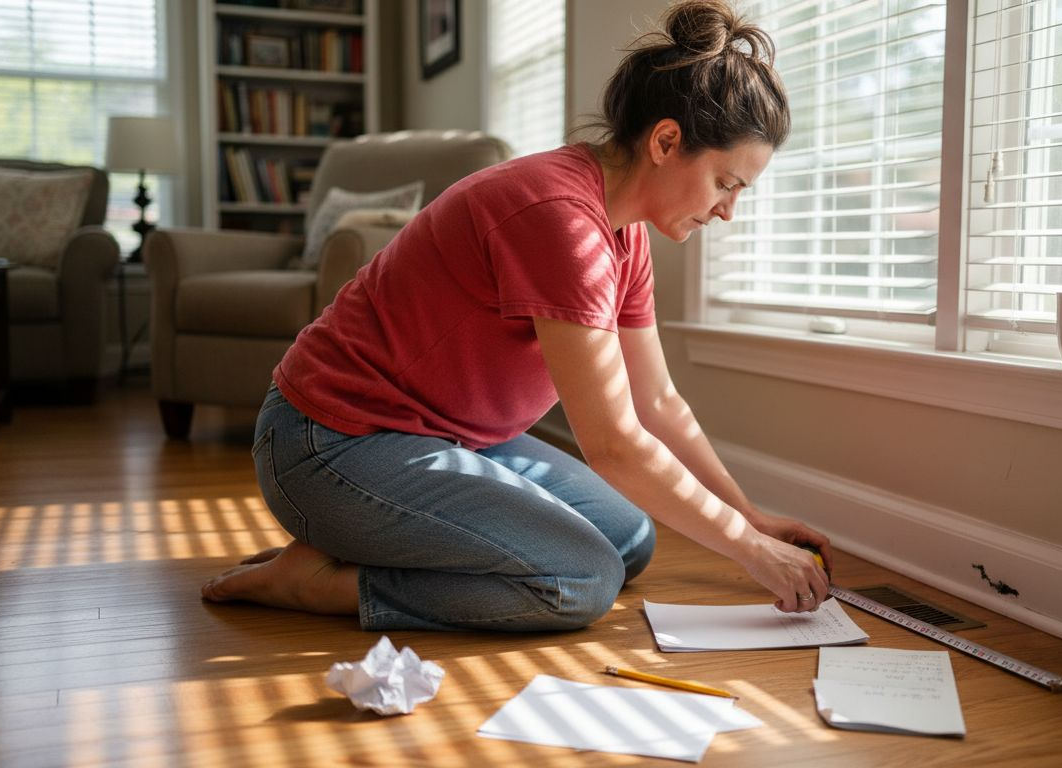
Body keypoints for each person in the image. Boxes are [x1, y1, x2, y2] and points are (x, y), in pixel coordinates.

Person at [201, 0, 835, 632]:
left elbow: (658, 403)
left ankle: (376, 536)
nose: (728, 211)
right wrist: (753, 553)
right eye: (727, 183)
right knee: (581, 579)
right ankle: (319, 583)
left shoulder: (624, 233)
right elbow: (614, 446)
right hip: (329, 443)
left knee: (630, 538)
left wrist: (747, 516)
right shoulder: (560, 218)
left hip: (449, 435)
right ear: (666, 141)